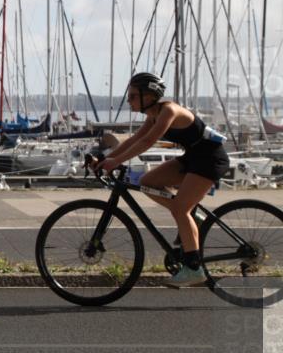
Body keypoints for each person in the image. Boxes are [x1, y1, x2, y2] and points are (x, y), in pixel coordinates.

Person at [92, 72, 230, 287]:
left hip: (210, 160)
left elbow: (147, 141)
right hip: (193, 158)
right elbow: (134, 139)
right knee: (147, 182)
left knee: (180, 209)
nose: (129, 101)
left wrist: (116, 161)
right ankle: (192, 218)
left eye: (133, 96)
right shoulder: (153, 114)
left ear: (149, 96)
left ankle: (194, 269)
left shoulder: (169, 111)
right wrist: (104, 159)